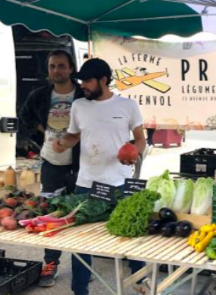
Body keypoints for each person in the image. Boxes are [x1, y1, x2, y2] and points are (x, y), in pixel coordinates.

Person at [52, 58, 147, 295]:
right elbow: (74, 135)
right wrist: (63, 143)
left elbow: (141, 139)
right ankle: (80, 290)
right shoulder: (79, 106)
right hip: (87, 183)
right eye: (82, 80)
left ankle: (140, 280)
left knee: (132, 233)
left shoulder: (128, 105)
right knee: (80, 241)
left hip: (122, 183)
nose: (83, 85)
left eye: (88, 80)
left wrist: (134, 152)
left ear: (103, 80)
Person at [19, 50, 84, 287]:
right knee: (51, 214)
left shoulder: (83, 95)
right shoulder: (40, 95)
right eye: (52, 66)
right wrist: (42, 130)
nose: (56, 71)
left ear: (70, 68)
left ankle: (82, 266)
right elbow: (23, 115)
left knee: (80, 213)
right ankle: (50, 263)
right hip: (51, 164)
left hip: (80, 164)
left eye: (61, 66)